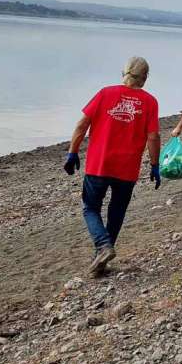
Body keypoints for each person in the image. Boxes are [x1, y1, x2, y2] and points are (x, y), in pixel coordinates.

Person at [63, 56, 161, 276]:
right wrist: (154, 165)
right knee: (116, 212)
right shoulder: (150, 101)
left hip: (99, 165)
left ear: (123, 73)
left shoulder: (105, 93)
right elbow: (153, 136)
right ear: (144, 78)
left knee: (90, 208)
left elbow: (82, 125)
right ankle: (102, 258)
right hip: (127, 169)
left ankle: (103, 247)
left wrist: (72, 152)